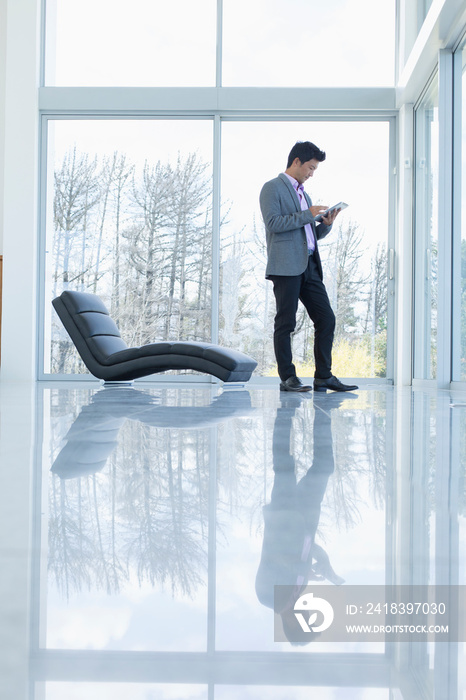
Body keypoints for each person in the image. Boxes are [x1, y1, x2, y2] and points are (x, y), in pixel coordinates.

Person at [259, 141, 358, 393]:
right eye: (311, 168)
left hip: (310, 266)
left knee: (326, 319)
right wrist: (308, 214)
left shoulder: (305, 194)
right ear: (296, 162)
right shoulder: (272, 188)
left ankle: (323, 376)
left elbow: (306, 234)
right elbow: (273, 223)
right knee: (286, 323)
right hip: (286, 266)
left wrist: (325, 224)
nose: (312, 174)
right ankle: (287, 378)